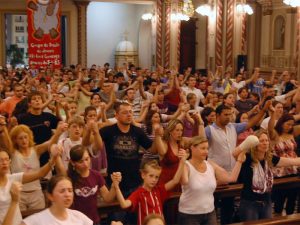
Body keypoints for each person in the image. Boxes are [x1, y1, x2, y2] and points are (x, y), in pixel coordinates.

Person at [203, 102, 271, 224]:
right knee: (211, 205)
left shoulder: (233, 127)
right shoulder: (209, 130)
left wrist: (263, 110)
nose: (228, 117)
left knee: (228, 207)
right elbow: (199, 144)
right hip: (215, 173)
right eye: (225, 114)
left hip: (232, 172)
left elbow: (251, 123)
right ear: (217, 115)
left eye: (230, 114)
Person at [178, 136, 252, 225]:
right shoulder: (186, 165)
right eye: (203, 148)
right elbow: (184, 181)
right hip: (189, 215)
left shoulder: (210, 164)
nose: (206, 151)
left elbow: (231, 178)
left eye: (207, 148)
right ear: (192, 148)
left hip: (210, 212)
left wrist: (239, 161)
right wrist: (182, 162)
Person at [233, 130, 300, 221]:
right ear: (255, 144)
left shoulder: (270, 158)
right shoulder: (247, 158)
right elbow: (234, 154)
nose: (265, 143)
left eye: (266, 140)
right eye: (261, 141)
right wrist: (246, 143)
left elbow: (292, 161)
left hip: (266, 201)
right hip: (250, 202)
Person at [113, 151, 187, 225]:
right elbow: (124, 204)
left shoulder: (158, 190)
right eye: (151, 176)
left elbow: (175, 181)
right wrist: (116, 187)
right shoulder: (139, 193)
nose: (154, 180)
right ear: (143, 175)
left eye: (156, 177)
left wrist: (182, 162)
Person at [9, 123, 66, 211]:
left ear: (29, 137)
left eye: (25, 137)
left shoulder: (36, 150)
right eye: (20, 138)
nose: (24, 140)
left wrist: (58, 132)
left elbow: (50, 143)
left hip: (36, 193)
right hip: (19, 194)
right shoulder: (12, 153)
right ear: (15, 140)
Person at [0, 146, 60, 225]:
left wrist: (53, 159)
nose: (4, 163)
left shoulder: (13, 178)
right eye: (1, 160)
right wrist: (14, 200)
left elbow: (40, 174)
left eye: (7, 159)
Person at [67, 145, 116, 225]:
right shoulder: (69, 178)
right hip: (75, 221)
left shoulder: (96, 175)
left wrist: (114, 185)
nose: (85, 164)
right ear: (73, 162)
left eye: (87, 159)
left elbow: (108, 198)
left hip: (94, 220)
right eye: (81, 161)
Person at [21, 175, 93, 225]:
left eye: (70, 190)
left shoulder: (79, 217)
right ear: (50, 196)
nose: (67, 195)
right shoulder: (37, 219)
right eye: (62, 191)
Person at [268, 113, 300, 215]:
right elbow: (269, 128)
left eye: (291, 125)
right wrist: (273, 114)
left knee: (292, 200)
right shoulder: (275, 134)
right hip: (280, 172)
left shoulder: (292, 133)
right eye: (287, 124)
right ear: (281, 123)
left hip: (293, 169)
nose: (290, 127)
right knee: (279, 201)